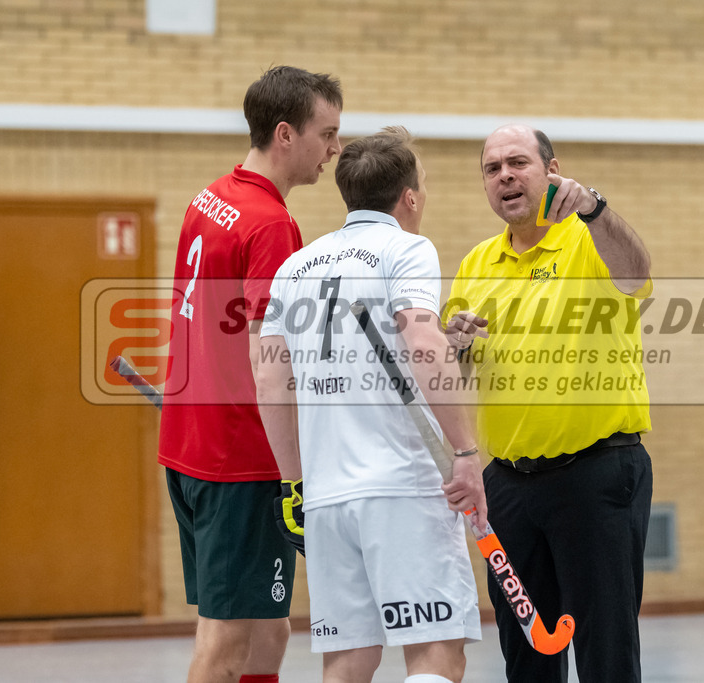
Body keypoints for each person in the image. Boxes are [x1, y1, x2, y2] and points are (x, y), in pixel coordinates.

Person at [256, 126, 487, 683]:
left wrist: (294, 484)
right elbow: (422, 345)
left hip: (328, 496)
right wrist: (465, 450)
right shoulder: (407, 248)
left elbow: (267, 378)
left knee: (348, 662)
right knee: (436, 654)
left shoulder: (296, 266)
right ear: (409, 196)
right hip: (402, 487)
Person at [442, 124, 654, 682]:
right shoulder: (477, 263)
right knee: (526, 655)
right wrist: (454, 345)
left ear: (551, 169)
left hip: (596, 475)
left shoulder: (589, 238)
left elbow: (636, 276)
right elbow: (459, 375)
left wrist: (596, 209)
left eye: (518, 163)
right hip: (509, 488)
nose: (505, 176)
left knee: (606, 652)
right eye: (492, 169)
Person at [157, 65, 342, 683]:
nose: (334, 150)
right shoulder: (271, 225)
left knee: (266, 625)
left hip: (189, 448)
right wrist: (296, 475)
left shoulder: (209, 197)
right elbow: (273, 356)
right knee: (227, 640)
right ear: (286, 134)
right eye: (327, 133)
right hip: (238, 461)